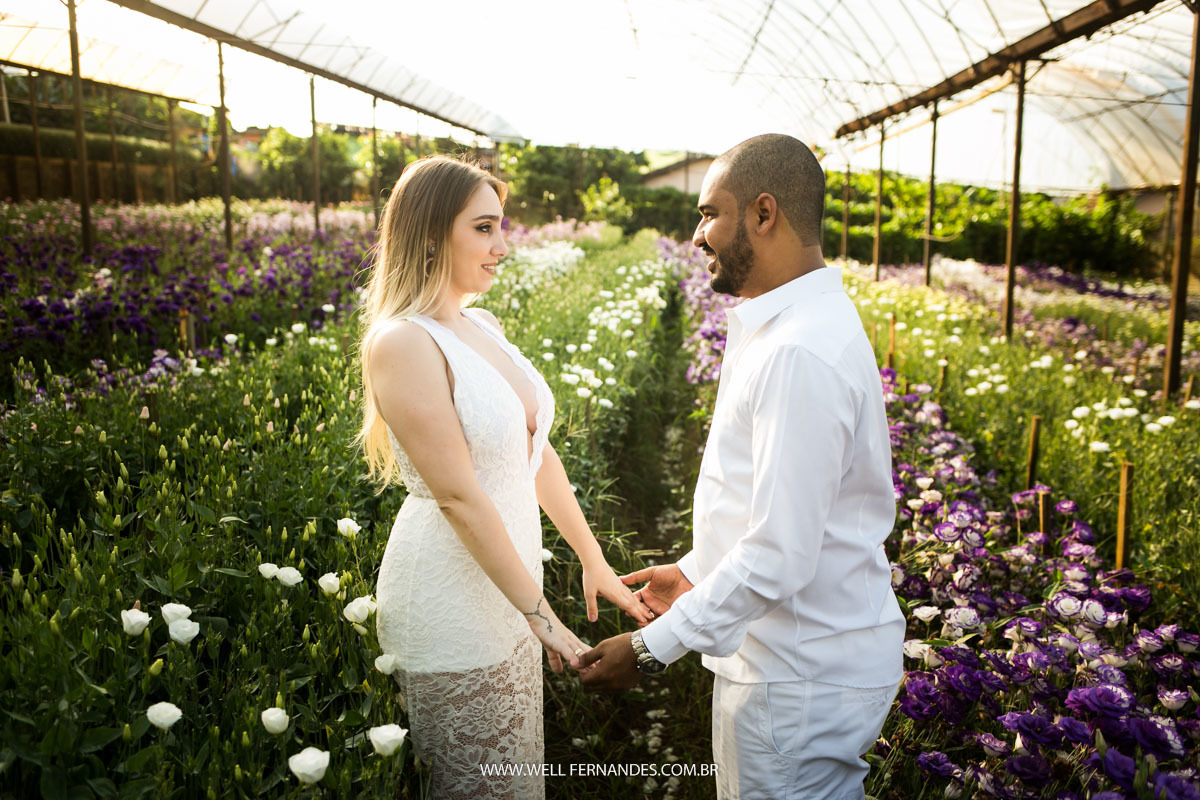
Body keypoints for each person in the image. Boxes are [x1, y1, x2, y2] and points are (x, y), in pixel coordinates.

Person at [580, 134, 905, 800]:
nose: (698, 236)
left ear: (763, 214)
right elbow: (781, 511)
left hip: (798, 677)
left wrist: (649, 650)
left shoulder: (799, 352)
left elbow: (780, 553)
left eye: (709, 214)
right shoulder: (794, 327)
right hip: (799, 661)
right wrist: (695, 571)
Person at [356, 154, 649, 799]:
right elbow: (460, 498)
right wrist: (544, 619)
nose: (503, 246)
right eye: (484, 228)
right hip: (452, 599)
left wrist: (590, 557)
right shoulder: (403, 341)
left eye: (501, 227)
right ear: (433, 234)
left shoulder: (479, 324)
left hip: (511, 590)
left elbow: (534, 451)